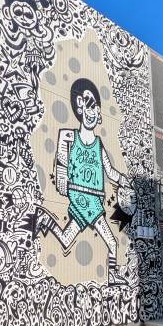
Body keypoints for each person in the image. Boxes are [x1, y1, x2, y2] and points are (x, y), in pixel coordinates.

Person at [36, 78, 134, 285]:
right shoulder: (68, 136)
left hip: (94, 199)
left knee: (66, 239)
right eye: (88, 106)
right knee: (112, 242)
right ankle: (112, 275)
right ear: (79, 107)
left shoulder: (99, 145)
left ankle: (46, 221)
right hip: (83, 199)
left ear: (99, 114)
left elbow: (110, 172)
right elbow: (61, 163)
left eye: (95, 108)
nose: (92, 112)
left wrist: (124, 180)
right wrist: (62, 180)